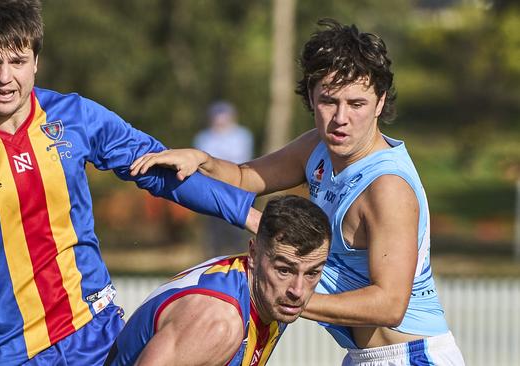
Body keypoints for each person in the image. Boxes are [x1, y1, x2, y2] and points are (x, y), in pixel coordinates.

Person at [0, 1, 259, 365]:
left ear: (36, 62)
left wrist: (249, 216)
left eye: (18, 61)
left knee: (212, 321)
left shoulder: (74, 117)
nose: (5, 77)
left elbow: (161, 170)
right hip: (10, 353)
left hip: (96, 332)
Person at [130, 19, 465, 365]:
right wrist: (200, 160)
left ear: (379, 103)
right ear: (310, 96)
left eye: (357, 104)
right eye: (328, 101)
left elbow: (390, 305)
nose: (340, 118)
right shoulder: (317, 147)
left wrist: (286, 298)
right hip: (365, 357)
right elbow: (246, 177)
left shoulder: (387, 188)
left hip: (411, 357)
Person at [104, 195, 331, 366]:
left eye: (312, 273)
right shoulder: (220, 325)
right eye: (284, 270)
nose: (298, 290)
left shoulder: (268, 293)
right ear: (253, 254)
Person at [193, 101, 254, 256]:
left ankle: (245, 260)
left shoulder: (242, 135)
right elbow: (202, 164)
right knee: (214, 235)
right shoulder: (204, 137)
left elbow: (241, 160)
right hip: (211, 191)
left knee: (239, 231)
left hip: (237, 191)